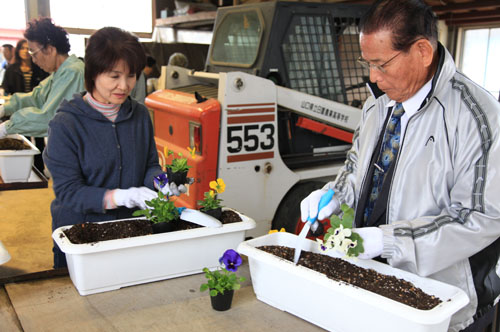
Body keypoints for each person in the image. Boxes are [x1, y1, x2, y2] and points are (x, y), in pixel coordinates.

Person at [299, 1, 500, 331]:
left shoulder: (477, 117)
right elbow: (357, 166)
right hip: (378, 281)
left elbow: (480, 216)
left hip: (444, 300)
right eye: (367, 64)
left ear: (422, 51)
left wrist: (389, 242)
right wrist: (334, 194)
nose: (373, 79)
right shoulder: (378, 105)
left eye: (381, 64)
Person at [43, 27, 166, 268]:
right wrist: (119, 196)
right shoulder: (66, 124)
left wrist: (161, 182)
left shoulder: (139, 115)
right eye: (114, 76)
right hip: (81, 234)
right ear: (93, 73)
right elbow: (69, 191)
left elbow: (150, 164)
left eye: (131, 75)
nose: (124, 85)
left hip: (131, 231)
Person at [0, 17, 85, 172]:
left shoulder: (73, 72)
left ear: (50, 49)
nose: (33, 59)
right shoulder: (59, 73)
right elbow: (36, 97)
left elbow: (51, 117)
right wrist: (5, 109)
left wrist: (7, 127)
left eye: (34, 52)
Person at [2, 39, 49, 171]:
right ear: (18, 51)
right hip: (19, 109)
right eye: (22, 48)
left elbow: (42, 91)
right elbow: (7, 89)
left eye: (28, 48)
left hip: (37, 109)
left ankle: (39, 169)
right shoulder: (12, 69)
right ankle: (23, 169)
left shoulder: (40, 68)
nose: (25, 51)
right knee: (22, 141)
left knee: (40, 141)